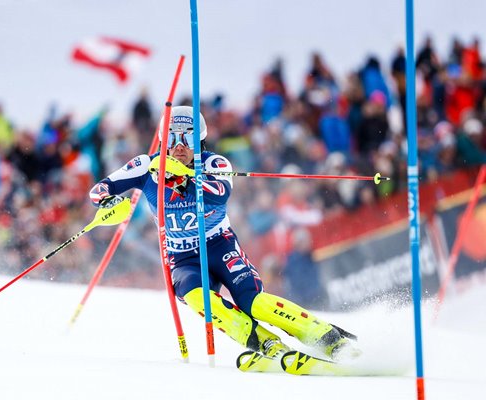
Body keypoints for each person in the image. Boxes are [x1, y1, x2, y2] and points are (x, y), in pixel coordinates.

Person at [89, 106, 356, 360]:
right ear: (163, 141)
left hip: (220, 245)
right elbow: (100, 189)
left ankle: (327, 337)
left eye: (188, 139)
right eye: (172, 139)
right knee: (196, 297)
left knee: (253, 302)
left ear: (201, 141)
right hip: (183, 258)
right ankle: (264, 343)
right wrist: (106, 201)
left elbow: (220, 194)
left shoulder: (214, 163)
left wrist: (185, 181)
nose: (180, 147)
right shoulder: (147, 166)